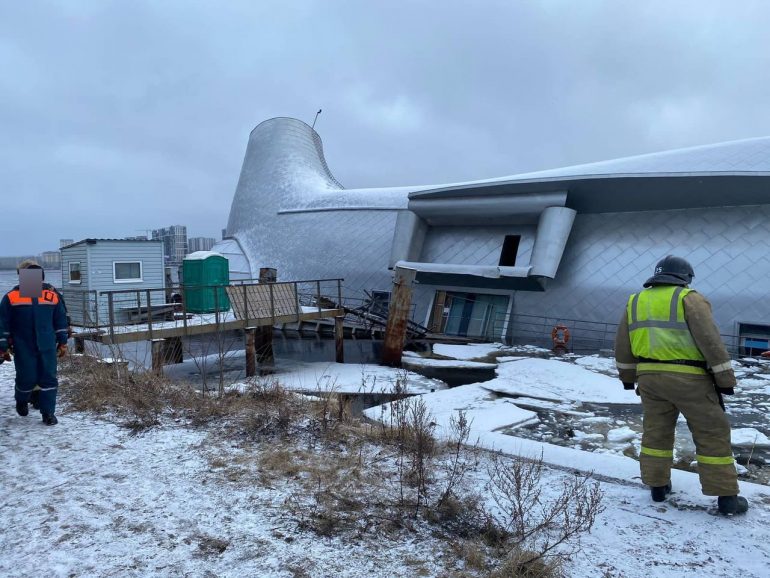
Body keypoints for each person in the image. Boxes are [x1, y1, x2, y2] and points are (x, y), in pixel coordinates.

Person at [615, 255, 748, 515]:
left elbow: (623, 343)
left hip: (649, 378)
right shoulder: (689, 298)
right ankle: (727, 498)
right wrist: (725, 379)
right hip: (690, 378)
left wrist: (627, 378)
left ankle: (657, 486)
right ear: (685, 277)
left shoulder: (636, 301)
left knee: (656, 432)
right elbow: (710, 341)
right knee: (711, 433)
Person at [0, 259, 69, 425]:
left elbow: (60, 320)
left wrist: (63, 341)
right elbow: (3, 324)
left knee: (49, 378)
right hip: (23, 345)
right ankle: (22, 400)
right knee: (27, 377)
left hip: (47, 345)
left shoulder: (52, 296)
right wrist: (3, 346)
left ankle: (48, 413)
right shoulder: (11, 297)